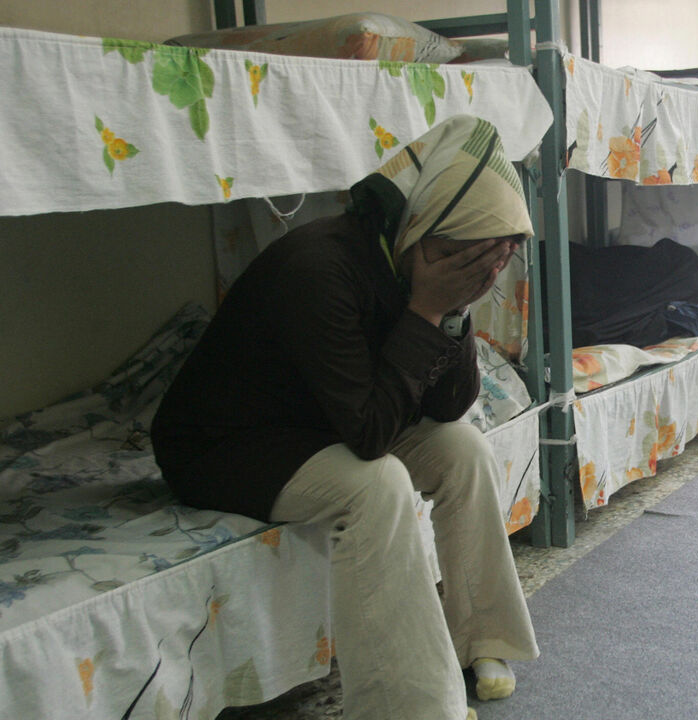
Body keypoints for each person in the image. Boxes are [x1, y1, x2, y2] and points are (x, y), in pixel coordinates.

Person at [151, 116, 538, 720]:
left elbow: (446, 405)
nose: (480, 273)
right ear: (422, 236)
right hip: (228, 442)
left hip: (326, 416)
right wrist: (425, 309)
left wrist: (454, 307)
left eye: (491, 262)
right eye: (467, 260)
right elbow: (369, 439)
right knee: (376, 486)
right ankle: (407, 705)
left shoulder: (416, 264)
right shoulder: (320, 268)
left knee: (464, 448)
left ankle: (484, 642)